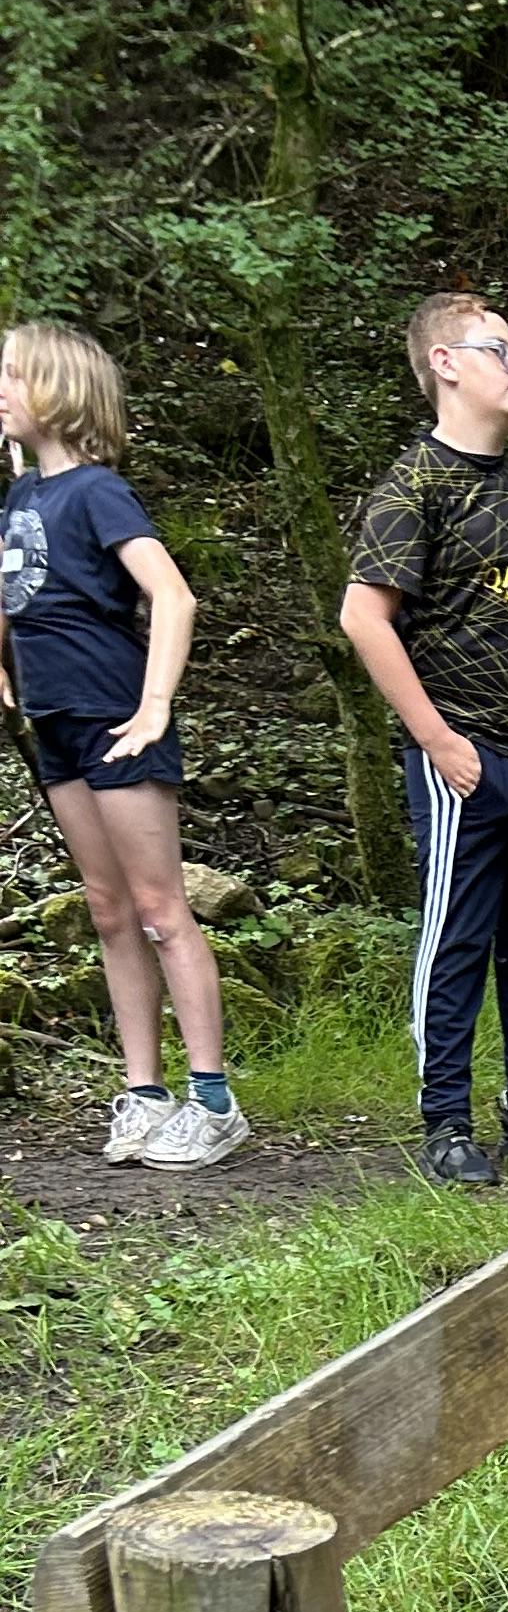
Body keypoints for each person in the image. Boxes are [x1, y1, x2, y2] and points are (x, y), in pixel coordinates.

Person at [341, 293, 508, 1187]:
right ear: (446, 364)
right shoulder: (412, 485)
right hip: (464, 759)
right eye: (500, 350)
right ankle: (445, 1124)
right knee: (456, 939)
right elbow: (363, 618)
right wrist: (437, 740)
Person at [0, 323, 247, 1169]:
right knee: (107, 910)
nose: (1, 390)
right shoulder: (20, 496)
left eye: (12, 375)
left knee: (159, 909)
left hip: (113, 715)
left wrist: (153, 708)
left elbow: (173, 598)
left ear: (59, 391)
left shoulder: (99, 492)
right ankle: (144, 1093)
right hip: (55, 725)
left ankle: (213, 1101)